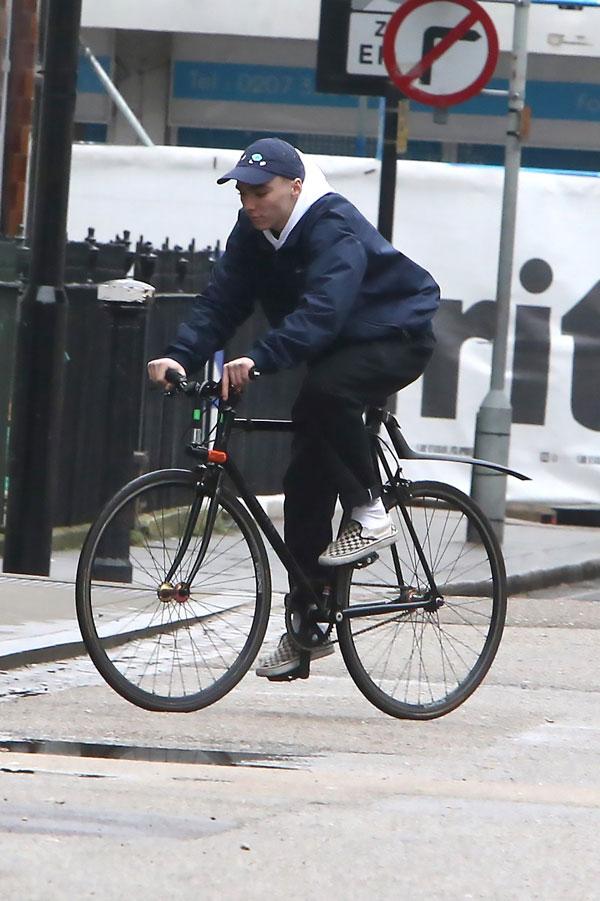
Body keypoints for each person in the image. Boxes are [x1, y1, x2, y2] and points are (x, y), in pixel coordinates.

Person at [147, 136, 440, 680]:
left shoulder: (333, 226)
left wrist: (259, 358)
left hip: (395, 334)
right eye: (242, 193)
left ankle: (370, 509)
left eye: (260, 192)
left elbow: (324, 312)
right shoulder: (254, 233)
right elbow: (222, 301)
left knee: (325, 396)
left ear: (295, 187)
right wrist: (178, 354)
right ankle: (308, 625)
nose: (250, 203)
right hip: (338, 345)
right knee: (304, 482)